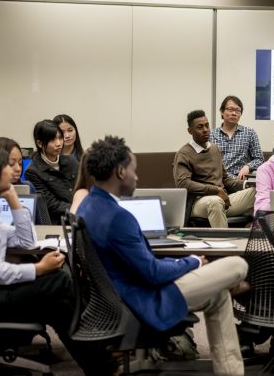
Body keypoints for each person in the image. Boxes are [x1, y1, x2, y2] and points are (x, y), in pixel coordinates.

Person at [77, 136, 247, 376]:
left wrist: (180, 264)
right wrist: (193, 262)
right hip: (145, 299)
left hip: (121, 295)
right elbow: (152, 274)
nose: (137, 177)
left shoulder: (89, 205)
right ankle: (230, 284)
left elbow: (143, 265)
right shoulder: (117, 217)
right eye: (134, 171)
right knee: (238, 264)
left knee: (218, 294)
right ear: (120, 171)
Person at [0, 143, 114, 375]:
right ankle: (102, 348)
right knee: (60, 281)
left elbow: (25, 242)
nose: (15, 170)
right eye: (7, 165)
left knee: (60, 305)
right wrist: (39, 268)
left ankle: (101, 364)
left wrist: (14, 200)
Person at [173, 110, 256, 228]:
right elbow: (183, 183)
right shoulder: (184, 154)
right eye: (200, 127)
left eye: (207, 125)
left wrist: (248, 184)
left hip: (223, 198)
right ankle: (224, 244)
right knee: (215, 202)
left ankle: (264, 236)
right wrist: (215, 190)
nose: (205, 130)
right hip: (198, 202)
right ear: (190, 131)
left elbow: (226, 180)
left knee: (258, 190)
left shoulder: (214, 149)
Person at [25, 120, 78, 224]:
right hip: (58, 222)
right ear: (40, 143)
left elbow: (82, 187)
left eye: (60, 138)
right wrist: (78, 209)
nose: (58, 143)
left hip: (78, 216)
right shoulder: (33, 171)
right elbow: (52, 204)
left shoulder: (71, 161)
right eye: (52, 140)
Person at [211, 96, 264, 180]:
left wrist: (248, 166)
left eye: (238, 111)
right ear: (222, 112)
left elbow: (259, 159)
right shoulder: (211, 135)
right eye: (230, 109)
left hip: (239, 180)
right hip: (217, 179)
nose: (234, 113)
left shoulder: (249, 133)